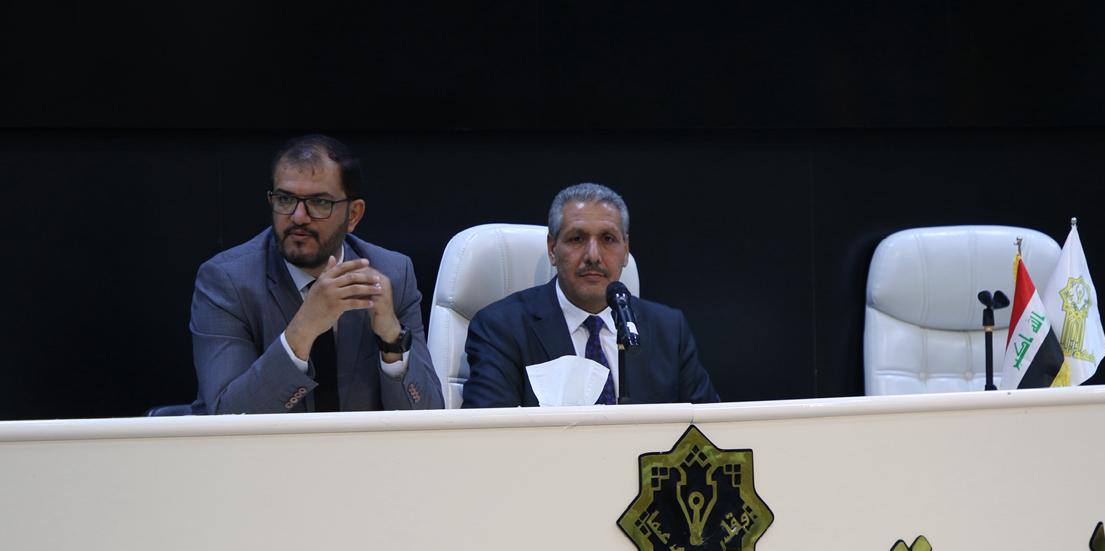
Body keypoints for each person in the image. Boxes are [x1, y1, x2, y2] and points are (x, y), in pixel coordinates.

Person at [190, 135, 442, 414]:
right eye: (285, 199)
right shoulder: (228, 281)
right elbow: (227, 417)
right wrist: (304, 328)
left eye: (319, 202)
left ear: (353, 215)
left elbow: (430, 416)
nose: (298, 216)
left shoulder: (391, 274)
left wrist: (392, 339)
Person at [461, 183, 718, 408]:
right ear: (552, 249)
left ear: (626, 250)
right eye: (577, 239)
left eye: (608, 239)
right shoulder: (502, 328)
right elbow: (487, 435)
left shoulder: (669, 330)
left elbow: (710, 431)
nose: (593, 255)